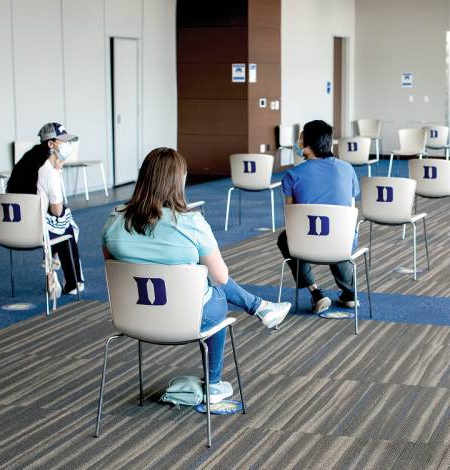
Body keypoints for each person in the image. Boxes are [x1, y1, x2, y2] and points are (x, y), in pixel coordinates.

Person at [101, 147, 291, 404]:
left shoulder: (114, 221)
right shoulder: (191, 223)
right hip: (186, 320)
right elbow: (222, 277)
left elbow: (114, 271)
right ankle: (214, 383)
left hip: (134, 317)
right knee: (217, 289)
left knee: (208, 283)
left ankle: (262, 308)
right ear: (179, 181)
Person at [277, 120, 360, 314]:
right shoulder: (347, 169)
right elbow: (351, 207)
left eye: (300, 137)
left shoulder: (292, 174)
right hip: (342, 243)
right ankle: (349, 294)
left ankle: (316, 293)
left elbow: (291, 218)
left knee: (287, 238)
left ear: (308, 142)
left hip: (307, 243)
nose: (297, 140)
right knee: (340, 233)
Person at [6, 122, 84, 297]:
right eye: (63, 141)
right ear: (51, 144)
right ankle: (73, 282)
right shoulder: (48, 170)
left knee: (60, 220)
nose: (67, 146)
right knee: (66, 222)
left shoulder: (27, 160)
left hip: (9, 228)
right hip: (34, 231)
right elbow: (56, 211)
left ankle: (54, 262)